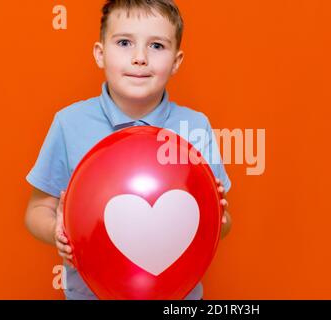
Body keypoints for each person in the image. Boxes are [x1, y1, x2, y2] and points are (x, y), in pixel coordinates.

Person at [25, 0, 232, 300]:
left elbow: (221, 226)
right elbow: (36, 210)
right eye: (124, 42)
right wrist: (56, 230)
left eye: (157, 46)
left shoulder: (194, 127)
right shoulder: (69, 124)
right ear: (100, 53)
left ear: (176, 60)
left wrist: (219, 220)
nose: (140, 58)